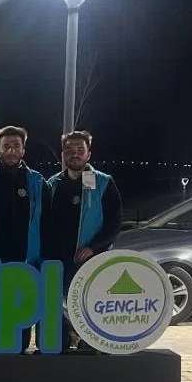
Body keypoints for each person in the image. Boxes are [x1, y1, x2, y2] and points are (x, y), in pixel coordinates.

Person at [0, 125, 48, 353]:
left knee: (20, 309)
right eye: (6, 146)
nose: (11, 150)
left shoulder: (37, 182)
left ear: (23, 150)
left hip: (24, 259)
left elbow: (47, 222)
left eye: (16, 146)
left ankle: (19, 348)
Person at [42, 130, 122, 349]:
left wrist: (94, 248)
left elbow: (114, 224)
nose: (74, 154)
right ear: (62, 154)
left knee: (88, 310)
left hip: (89, 261)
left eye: (80, 150)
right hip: (58, 261)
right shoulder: (52, 184)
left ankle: (89, 346)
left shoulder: (103, 182)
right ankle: (62, 344)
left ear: (88, 154)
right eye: (69, 150)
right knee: (59, 312)